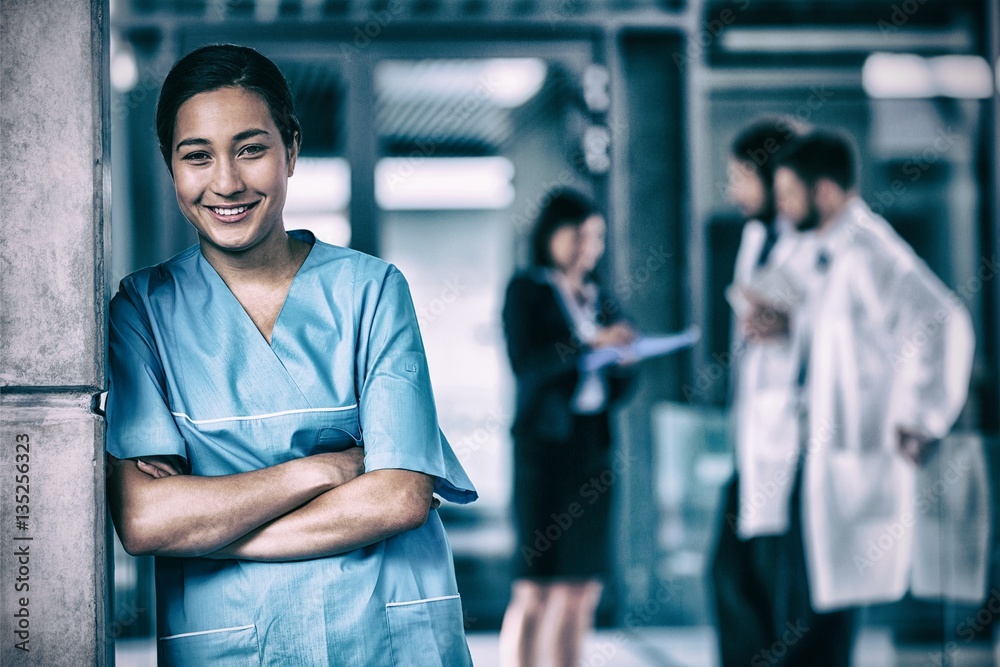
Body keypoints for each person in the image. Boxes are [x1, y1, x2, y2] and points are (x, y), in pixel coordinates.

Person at [104, 44, 477, 666]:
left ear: (292, 151)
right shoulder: (142, 311)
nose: (226, 182)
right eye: (197, 156)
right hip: (232, 646)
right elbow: (145, 520)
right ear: (171, 167)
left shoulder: (371, 290)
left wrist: (211, 526)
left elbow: (400, 497)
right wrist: (324, 470)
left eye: (251, 149)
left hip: (385, 639)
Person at [765, 129, 974, 663]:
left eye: (791, 193)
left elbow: (943, 321)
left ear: (828, 191)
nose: (783, 207)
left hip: (851, 458)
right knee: (804, 617)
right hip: (818, 456)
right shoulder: (826, 252)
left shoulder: (868, 251)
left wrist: (924, 418)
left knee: (822, 630)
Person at [498, 189, 638, 667]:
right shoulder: (528, 290)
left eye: (595, 236)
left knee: (580, 588)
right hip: (542, 450)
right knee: (536, 588)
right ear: (549, 235)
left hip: (591, 448)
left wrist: (622, 358)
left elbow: (620, 385)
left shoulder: (602, 297)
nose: (587, 246)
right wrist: (587, 345)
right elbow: (527, 365)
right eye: (577, 234)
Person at [709, 116, 818, 666]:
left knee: (785, 597)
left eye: (741, 176)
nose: (732, 191)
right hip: (754, 440)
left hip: (798, 447)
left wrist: (795, 327)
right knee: (729, 579)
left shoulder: (817, 241)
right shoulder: (757, 238)